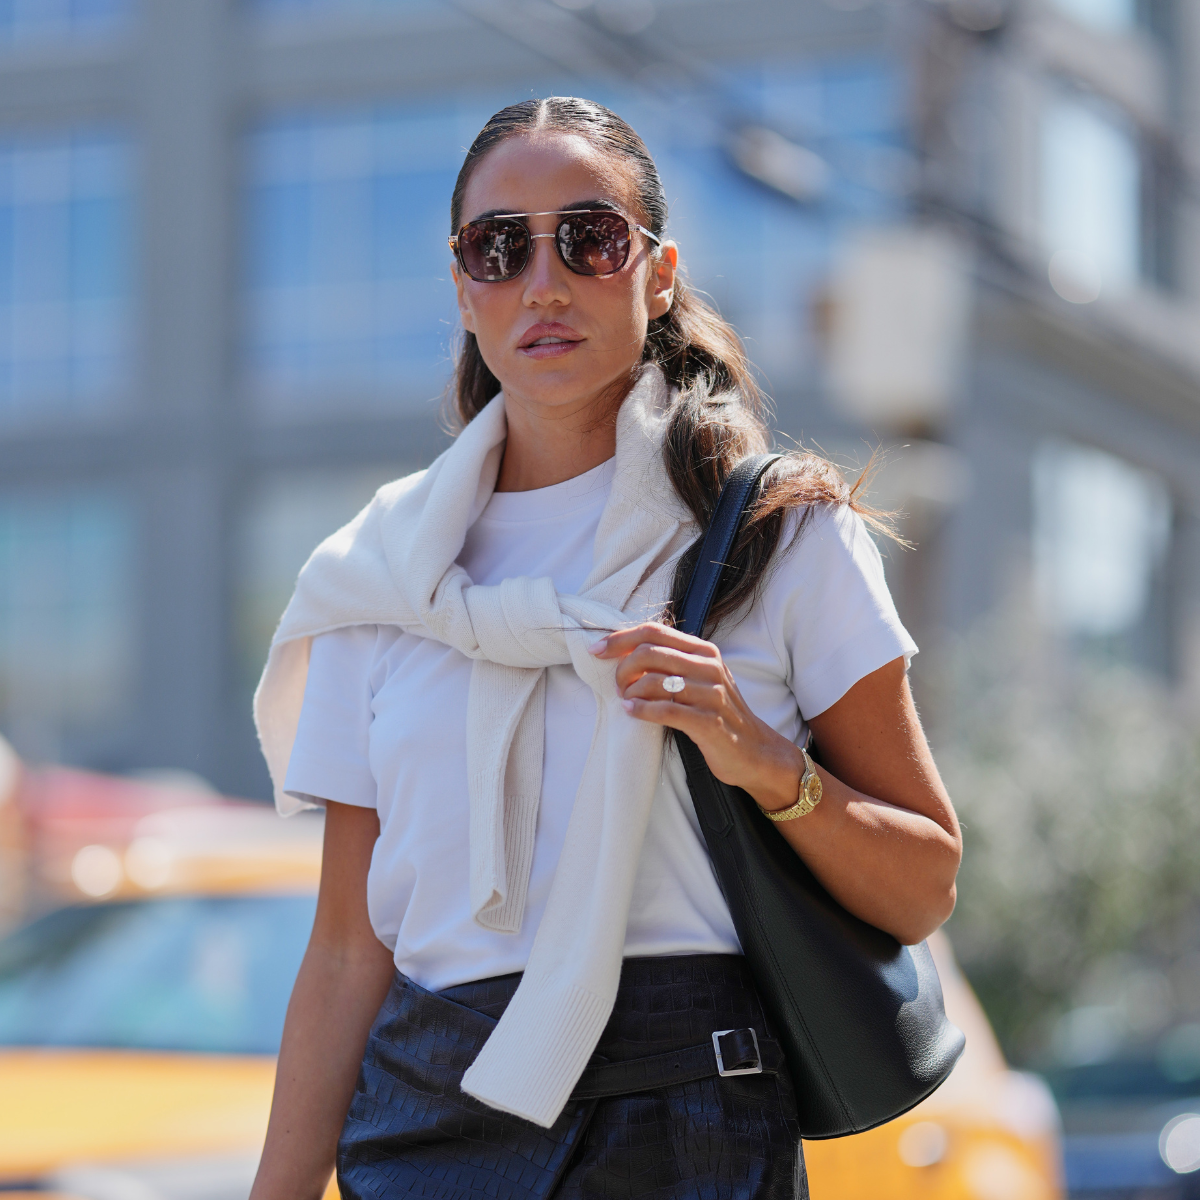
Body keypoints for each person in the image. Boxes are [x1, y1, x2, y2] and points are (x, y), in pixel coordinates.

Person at [249, 97, 962, 1200]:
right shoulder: (380, 572)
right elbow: (348, 951)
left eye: (588, 239)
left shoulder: (778, 535)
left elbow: (924, 883)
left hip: (691, 1117)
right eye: (498, 248)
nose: (543, 283)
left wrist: (763, 758)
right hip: (426, 1122)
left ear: (658, 272)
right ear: (462, 286)